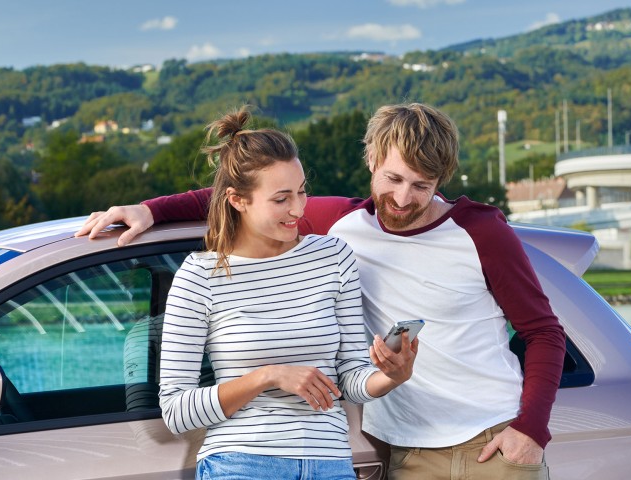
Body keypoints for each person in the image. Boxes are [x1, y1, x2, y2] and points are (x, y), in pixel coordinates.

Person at [78, 103, 564, 479]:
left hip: (495, 443)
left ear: (441, 179)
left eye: (422, 185)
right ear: (372, 160)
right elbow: (250, 194)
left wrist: (531, 430)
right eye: (393, 179)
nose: (402, 199)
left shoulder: (481, 231)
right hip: (407, 452)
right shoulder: (345, 227)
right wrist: (152, 209)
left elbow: (543, 332)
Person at [154, 107, 417, 480]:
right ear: (237, 199)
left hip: (330, 464)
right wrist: (268, 376)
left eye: (302, 191)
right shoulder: (200, 277)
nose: (298, 209)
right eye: (281, 199)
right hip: (241, 465)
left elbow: (352, 380)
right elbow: (177, 411)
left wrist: (393, 375)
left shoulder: (333, 256)